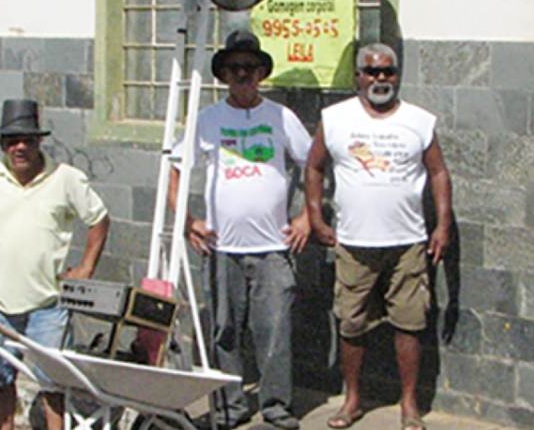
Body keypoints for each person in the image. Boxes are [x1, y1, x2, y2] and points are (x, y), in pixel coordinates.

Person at [168, 30, 312, 430]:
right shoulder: (208, 119)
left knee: (275, 333)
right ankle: (230, 407)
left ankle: (277, 407)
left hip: (273, 249)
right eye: (235, 68)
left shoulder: (281, 117)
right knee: (224, 333)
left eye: (250, 68)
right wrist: (187, 222)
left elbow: (315, 163)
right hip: (221, 248)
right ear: (224, 75)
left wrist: (306, 218)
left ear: (262, 73)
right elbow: (174, 168)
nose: (243, 75)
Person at [305, 44, 453, 430]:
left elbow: (438, 173)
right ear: (357, 75)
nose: (380, 79)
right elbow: (314, 167)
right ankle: (352, 399)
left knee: (410, 323)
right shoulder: (335, 118)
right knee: (351, 324)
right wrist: (315, 216)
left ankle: (409, 404)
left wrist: (442, 225)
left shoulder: (419, 121)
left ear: (397, 74)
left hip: (407, 243)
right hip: (353, 244)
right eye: (372, 72)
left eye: (388, 71)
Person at [0, 99, 110, 430]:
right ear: (2, 144)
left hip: (48, 305)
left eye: (27, 140)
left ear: (39, 141)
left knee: (53, 385)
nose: (19, 147)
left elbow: (99, 219)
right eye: (12, 141)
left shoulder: (66, 178)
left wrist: (86, 268)